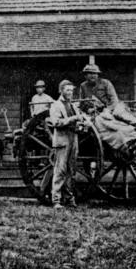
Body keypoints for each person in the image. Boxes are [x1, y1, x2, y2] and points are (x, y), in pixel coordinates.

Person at [46, 80, 82, 209]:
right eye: (67, 90)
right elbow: (56, 122)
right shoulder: (56, 105)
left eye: (72, 90)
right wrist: (73, 119)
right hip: (62, 140)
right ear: (61, 91)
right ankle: (56, 200)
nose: (70, 93)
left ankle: (69, 199)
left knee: (71, 171)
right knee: (60, 170)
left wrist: (81, 124)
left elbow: (77, 121)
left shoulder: (73, 105)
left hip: (73, 138)